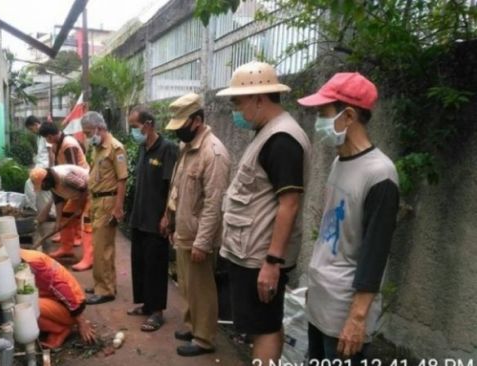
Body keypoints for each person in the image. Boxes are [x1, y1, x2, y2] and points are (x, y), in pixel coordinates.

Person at [297, 72, 399, 362]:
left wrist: (357, 319)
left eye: (323, 113)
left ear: (349, 115)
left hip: (344, 313)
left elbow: (374, 254)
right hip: (321, 300)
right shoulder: (339, 161)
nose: (319, 122)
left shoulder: (380, 174)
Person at [215, 61, 312, 363]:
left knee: (265, 328)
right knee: (262, 325)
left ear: (259, 98)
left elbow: (290, 204)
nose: (235, 109)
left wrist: (272, 262)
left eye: (238, 101)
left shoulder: (281, 139)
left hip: (261, 257)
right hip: (251, 251)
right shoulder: (267, 132)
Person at [162, 93, 230, 356]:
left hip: (199, 235)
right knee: (188, 285)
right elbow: (178, 188)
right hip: (184, 230)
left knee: (202, 289)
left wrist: (203, 242)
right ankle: (192, 325)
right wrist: (169, 218)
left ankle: (204, 338)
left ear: (197, 121)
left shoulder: (213, 153)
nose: (178, 132)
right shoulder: (187, 149)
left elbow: (214, 203)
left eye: (182, 126)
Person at [126, 106, 178, 332]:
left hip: (157, 220)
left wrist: (167, 216)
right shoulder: (142, 148)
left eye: (134, 127)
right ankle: (147, 305)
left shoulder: (168, 149)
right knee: (140, 264)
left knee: (156, 266)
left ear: (148, 125)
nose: (133, 131)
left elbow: (172, 186)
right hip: (139, 218)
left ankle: (157, 312)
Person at [0, 249, 96, 349]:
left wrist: (82, 321)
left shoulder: (33, 264)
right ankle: (58, 326)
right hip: (55, 300)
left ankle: (59, 330)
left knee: (25, 307)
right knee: (23, 302)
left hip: (72, 305)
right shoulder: (16, 257)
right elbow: (2, 289)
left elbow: (62, 289)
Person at [80, 111, 128, 305]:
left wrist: (118, 208)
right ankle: (102, 283)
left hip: (108, 202)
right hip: (97, 201)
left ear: (99, 128)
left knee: (103, 248)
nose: (87, 136)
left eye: (89, 132)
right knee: (98, 246)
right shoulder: (97, 147)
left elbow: (122, 179)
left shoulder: (115, 148)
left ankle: (106, 290)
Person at [38, 122, 93, 271]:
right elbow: (58, 197)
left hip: (86, 186)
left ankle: (89, 258)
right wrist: (58, 220)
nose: (46, 141)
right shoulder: (56, 146)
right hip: (72, 186)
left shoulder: (69, 145)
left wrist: (79, 207)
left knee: (87, 222)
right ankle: (66, 248)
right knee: (66, 215)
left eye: (46, 138)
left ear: (50, 136)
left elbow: (79, 181)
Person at [24, 115, 54, 245]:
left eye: (31, 128)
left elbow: (50, 151)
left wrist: (52, 170)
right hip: (41, 166)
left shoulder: (45, 133)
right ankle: (45, 212)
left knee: (30, 185)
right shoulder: (39, 136)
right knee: (42, 191)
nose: (32, 131)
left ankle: (36, 211)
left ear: (36, 124)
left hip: (46, 167)